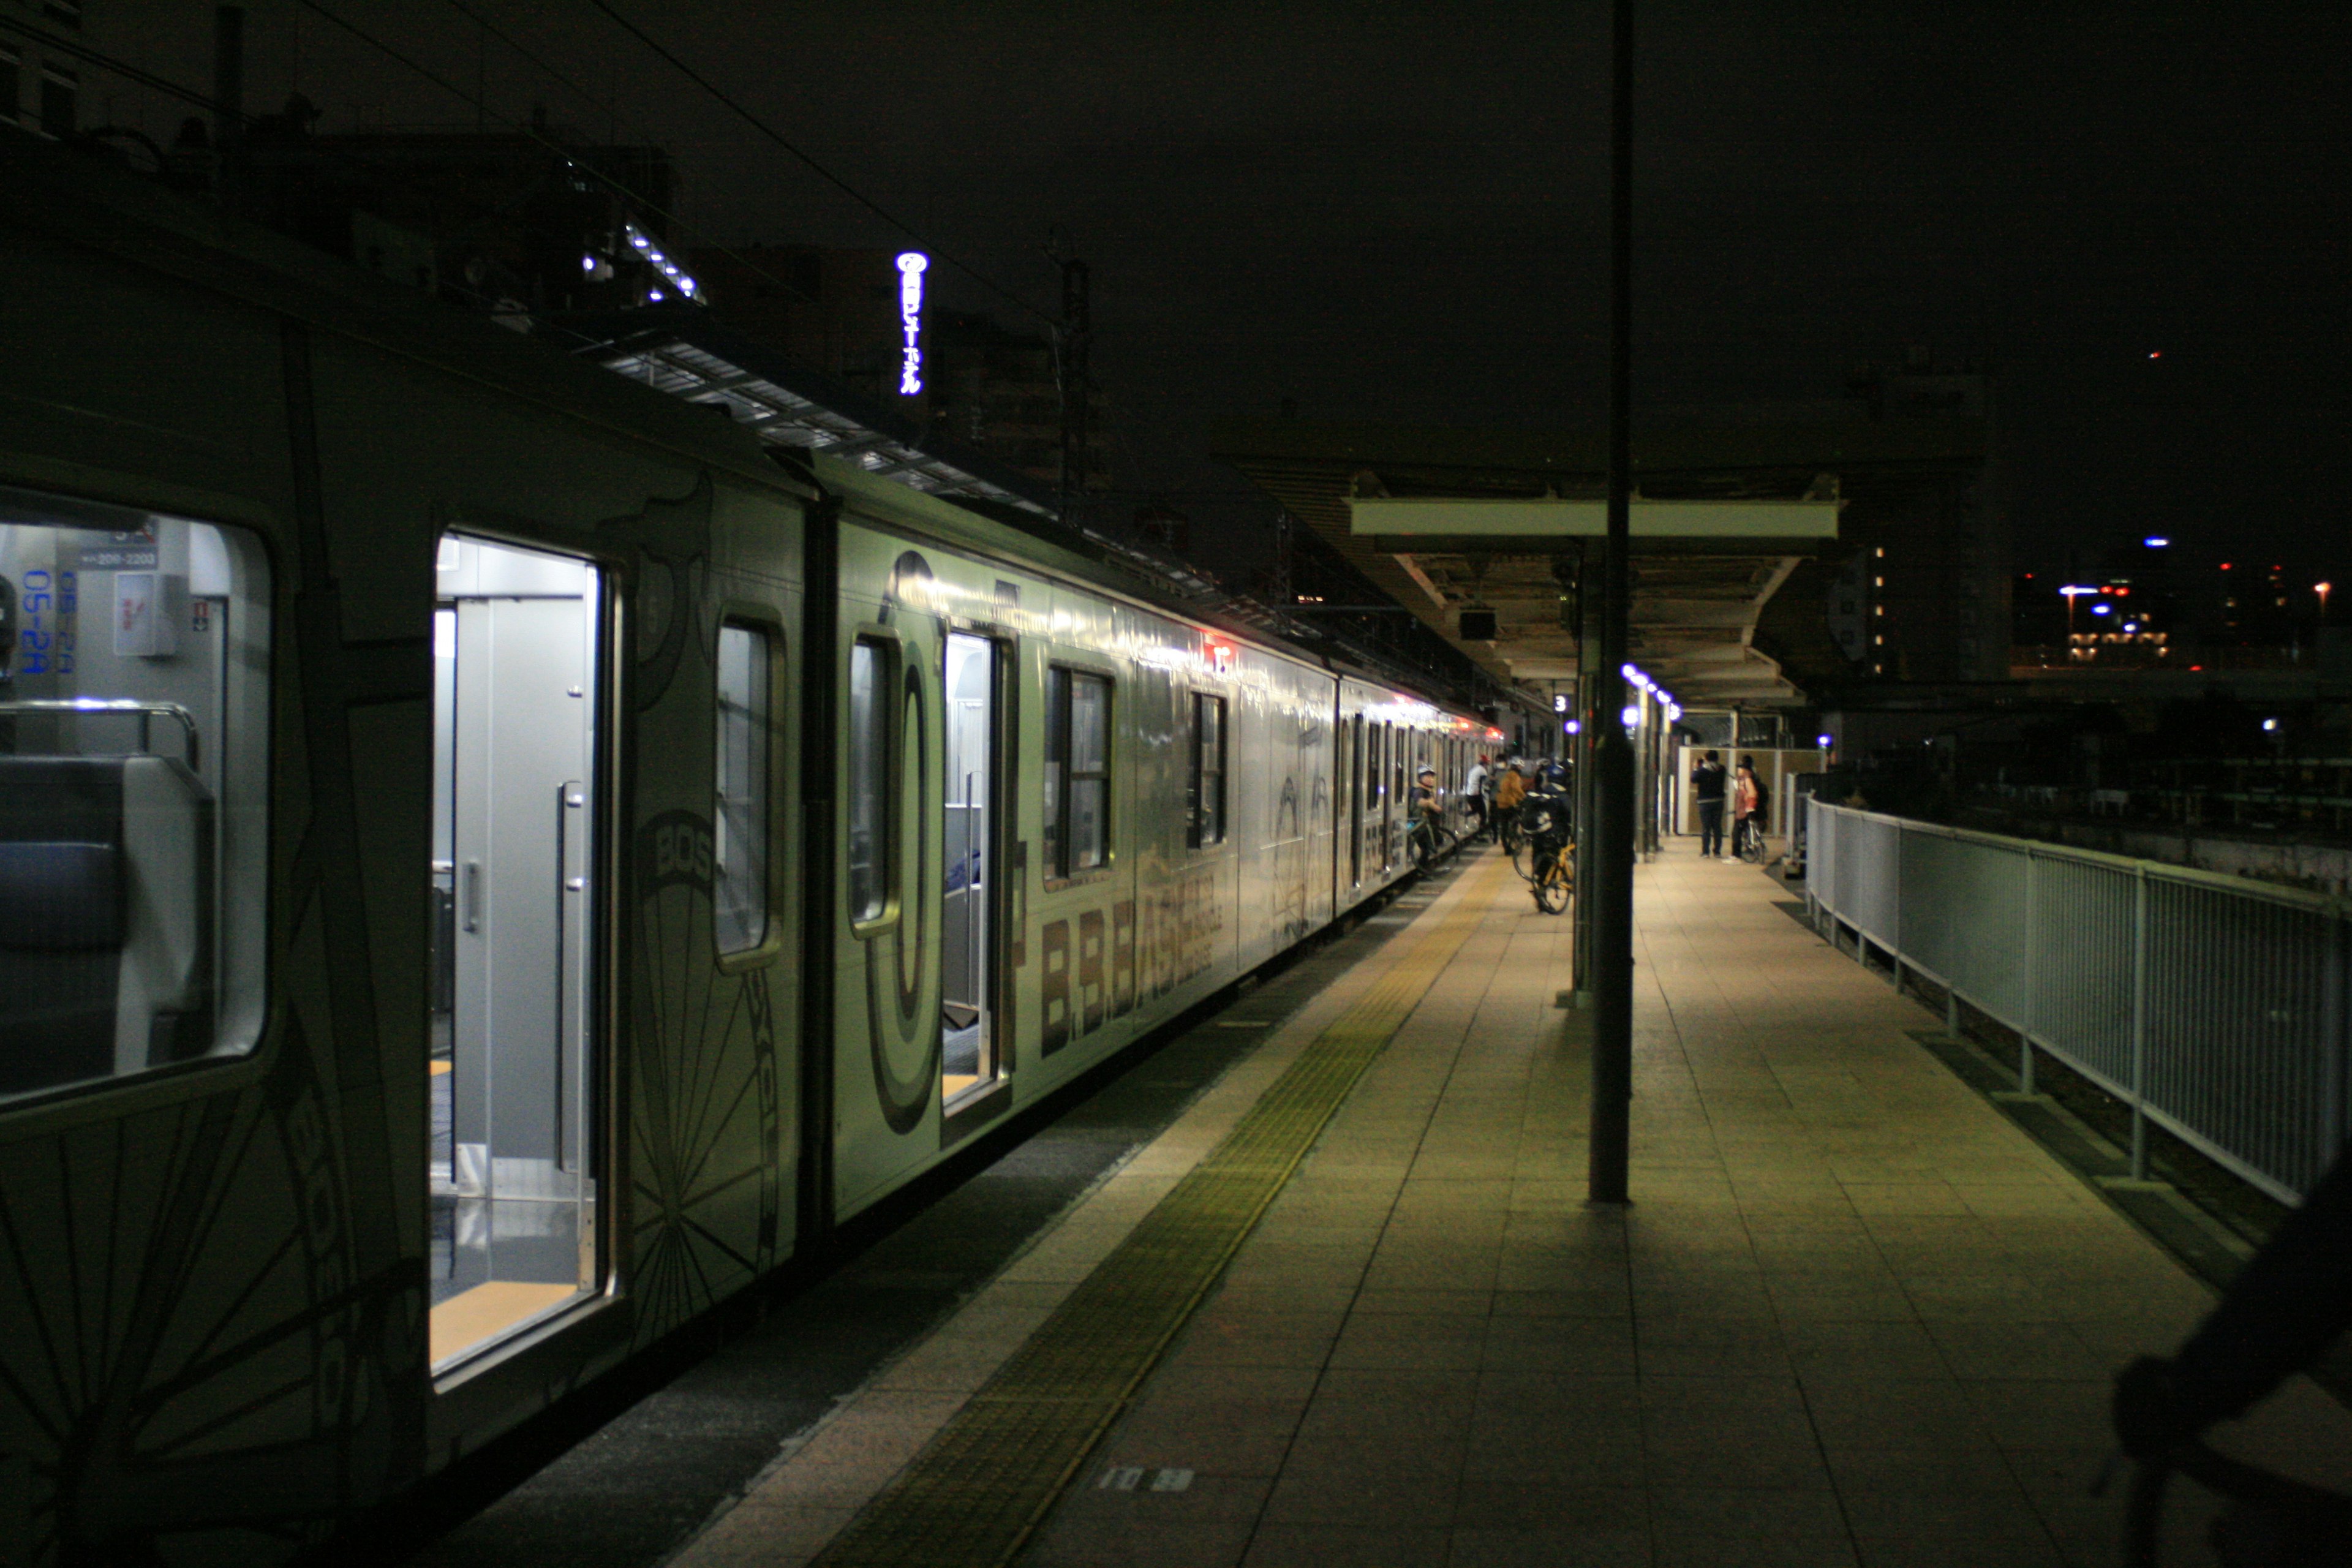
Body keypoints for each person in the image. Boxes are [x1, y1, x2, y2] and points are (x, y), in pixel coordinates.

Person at [1691, 749, 1728, 857]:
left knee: (1706, 827)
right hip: (1718, 801)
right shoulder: (1722, 769)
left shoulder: (1701, 770)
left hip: (1705, 802)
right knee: (1717, 826)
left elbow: (1693, 780)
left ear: (1706, 759)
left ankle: (1705, 852)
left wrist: (1695, 768)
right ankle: (1717, 851)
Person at [1732, 756, 1768, 858]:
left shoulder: (1746, 778)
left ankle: (1736, 855)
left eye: (1740, 767)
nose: (1738, 770)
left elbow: (1751, 793)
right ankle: (1757, 840)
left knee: (1737, 831)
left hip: (1748, 807)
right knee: (1752, 824)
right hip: (1759, 807)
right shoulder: (1755, 776)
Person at [1493, 757, 1528, 850]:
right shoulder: (1514, 775)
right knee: (1515, 822)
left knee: (1504, 826)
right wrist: (1524, 797)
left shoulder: (1508, 774)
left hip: (1501, 803)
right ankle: (1514, 838)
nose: (1521, 768)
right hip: (1509, 803)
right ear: (1517, 766)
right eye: (1520, 766)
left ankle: (1506, 847)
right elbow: (1516, 788)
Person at [1464, 754, 1491, 843]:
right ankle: (1480, 835)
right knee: (1483, 815)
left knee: (1476, 810)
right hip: (1476, 795)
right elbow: (1486, 782)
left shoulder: (1474, 769)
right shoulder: (1482, 770)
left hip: (1469, 794)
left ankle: (1466, 814)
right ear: (1485, 763)